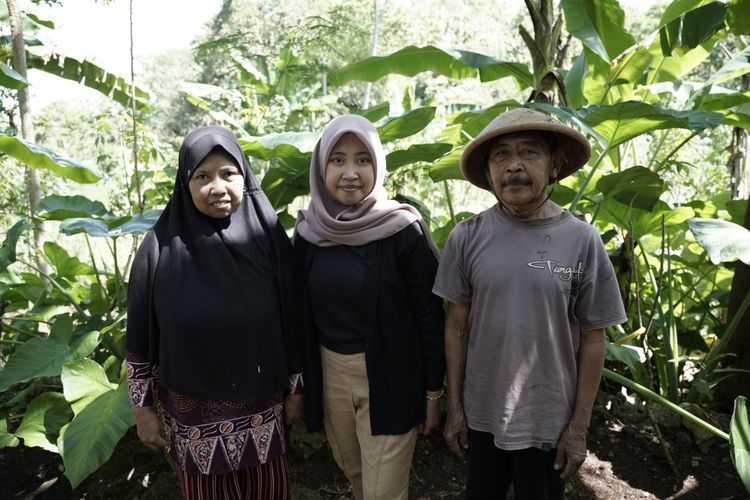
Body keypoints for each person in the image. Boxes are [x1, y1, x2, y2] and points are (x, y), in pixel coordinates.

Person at [433, 107, 627, 499]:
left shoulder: (583, 241)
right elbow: (455, 327)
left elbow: (593, 338)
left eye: (529, 152)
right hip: (481, 416)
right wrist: (454, 409)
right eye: (501, 154)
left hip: (548, 423)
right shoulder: (467, 237)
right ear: (488, 171)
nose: (514, 166)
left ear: (555, 165)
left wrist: (578, 429)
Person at [125, 126, 302, 500]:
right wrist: (142, 411)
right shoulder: (158, 251)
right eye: (202, 176)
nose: (217, 186)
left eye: (228, 174)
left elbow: (294, 320)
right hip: (194, 424)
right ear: (184, 184)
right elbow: (139, 341)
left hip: (263, 414)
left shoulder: (268, 240)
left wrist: (297, 390)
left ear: (245, 177)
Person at [294, 114, 445, 500]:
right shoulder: (309, 232)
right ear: (321, 166)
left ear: (377, 166)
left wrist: (433, 392)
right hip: (331, 373)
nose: (350, 172)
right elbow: (295, 310)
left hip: (391, 374)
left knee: (383, 493)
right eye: (338, 159)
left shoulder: (402, 229)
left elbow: (430, 316)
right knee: (355, 470)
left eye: (363, 159)